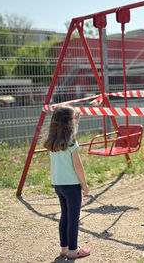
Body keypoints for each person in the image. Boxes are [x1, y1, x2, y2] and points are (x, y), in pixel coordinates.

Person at [42, 105, 90, 259]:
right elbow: (78, 166)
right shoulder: (71, 142)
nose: (77, 123)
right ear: (69, 123)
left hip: (59, 185)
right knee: (73, 218)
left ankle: (64, 249)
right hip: (72, 186)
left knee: (64, 216)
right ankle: (73, 251)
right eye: (75, 120)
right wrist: (84, 184)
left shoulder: (52, 142)